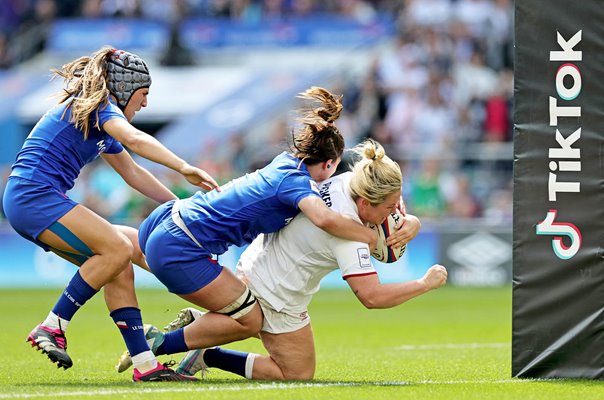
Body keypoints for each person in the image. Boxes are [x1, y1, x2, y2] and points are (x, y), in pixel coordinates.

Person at [115, 89, 413, 373]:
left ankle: (198, 330)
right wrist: (372, 238)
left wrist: (412, 223)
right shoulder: (297, 185)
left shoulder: (289, 166)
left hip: (179, 221)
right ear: (329, 163)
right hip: (190, 242)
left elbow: (378, 196)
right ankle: (164, 343)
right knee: (253, 324)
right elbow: (326, 221)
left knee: (117, 251)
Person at [2, 46, 219, 382]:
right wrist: (183, 166)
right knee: (117, 249)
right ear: (125, 89)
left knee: (121, 264)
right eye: (143, 94)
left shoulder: (96, 118)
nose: (145, 103)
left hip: (32, 199)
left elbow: (133, 174)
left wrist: (179, 205)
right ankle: (52, 326)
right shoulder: (103, 109)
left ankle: (146, 366)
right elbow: (134, 138)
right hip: (35, 197)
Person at [165, 139, 447, 380]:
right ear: (365, 204)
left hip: (261, 260)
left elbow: (391, 205)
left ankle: (207, 326)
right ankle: (206, 350)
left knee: (270, 339)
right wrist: (424, 283)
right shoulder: (349, 233)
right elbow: (372, 297)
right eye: (388, 209)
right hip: (275, 289)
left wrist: (413, 220)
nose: (392, 215)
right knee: (296, 372)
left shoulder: (352, 178)